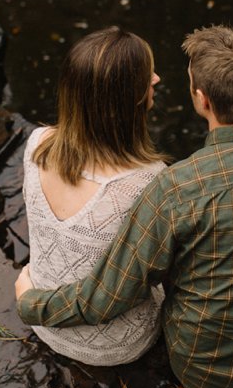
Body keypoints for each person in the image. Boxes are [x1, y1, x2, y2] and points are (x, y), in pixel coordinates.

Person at [17, 25, 233, 388]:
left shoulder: (176, 187)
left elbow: (108, 295)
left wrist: (30, 304)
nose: (157, 79)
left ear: (201, 99)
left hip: (203, 374)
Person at [18, 27, 166, 364]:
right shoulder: (148, 182)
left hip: (44, 320)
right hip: (116, 346)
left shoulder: (38, 142)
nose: (156, 79)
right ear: (128, 98)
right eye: (146, 76)